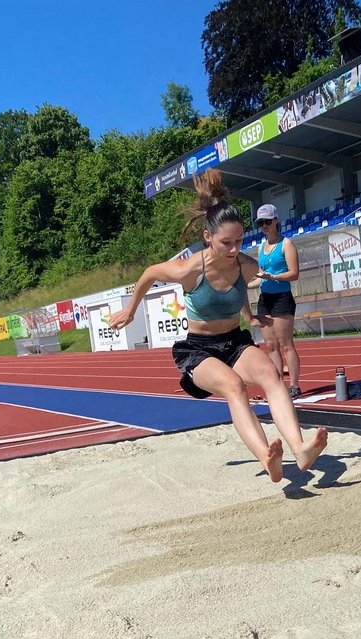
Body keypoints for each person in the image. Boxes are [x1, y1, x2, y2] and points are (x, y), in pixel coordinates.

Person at [108, 170, 327, 483]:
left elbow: (245, 288)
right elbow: (149, 273)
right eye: (227, 243)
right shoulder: (189, 269)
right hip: (199, 350)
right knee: (235, 387)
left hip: (234, 342)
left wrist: (250, 316)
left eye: (239, 241)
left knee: (271, 374)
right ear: (207, 237)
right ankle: (267, 457)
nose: (235, 249)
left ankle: (299, 448)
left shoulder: (246, 265)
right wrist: (131, 310)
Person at [254, 203, 302, 398]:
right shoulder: (260, 247)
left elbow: (294, 273)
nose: (264, 226)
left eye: (267, 221)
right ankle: (278, 385)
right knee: (271, 345)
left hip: (281, 297)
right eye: (260, 223)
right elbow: (260, 277)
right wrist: (243, 284)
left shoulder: (286, 243)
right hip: (265, 298)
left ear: (276, 220)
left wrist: (272, 277)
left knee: (285, 344)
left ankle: (294, 386)